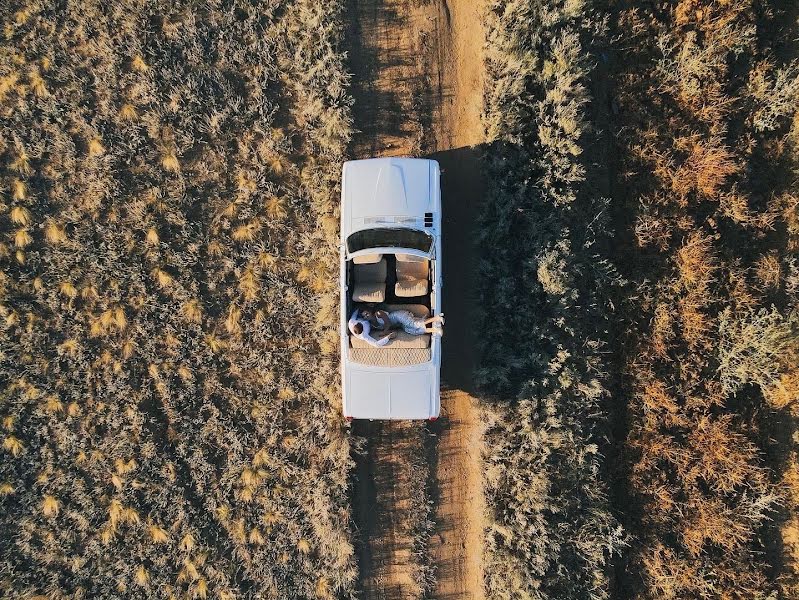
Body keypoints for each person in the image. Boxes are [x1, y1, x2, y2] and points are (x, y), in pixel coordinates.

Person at [360, 307, 444, 336]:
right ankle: (435, 330)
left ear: (370, 311)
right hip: (400, 324)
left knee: (414, 325)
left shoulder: (378, 313)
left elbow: (388, 323)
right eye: (364, 316)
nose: (366, 316)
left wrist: (384, 332)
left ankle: (437, 318)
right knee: (412, 331)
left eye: (366, 313)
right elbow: (390, 329)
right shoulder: (372, 324)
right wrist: (389, 334)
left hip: (399, 316)